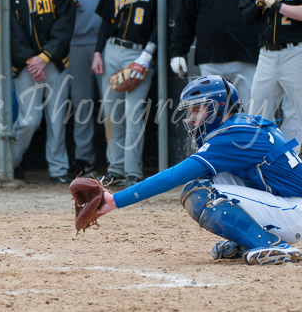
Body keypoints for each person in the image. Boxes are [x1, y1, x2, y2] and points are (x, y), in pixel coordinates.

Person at [92, 75, 302, 265]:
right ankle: (251, 240)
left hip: (295, 212)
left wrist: (116, 200)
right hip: (288, 206)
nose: (191, 118)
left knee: (199, 191)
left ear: (218, 108)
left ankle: (272, 245)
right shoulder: (239, 126)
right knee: (210, 176)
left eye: (197, 109)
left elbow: (173, 177)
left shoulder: (234, 136)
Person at [57, 0, 125, 178]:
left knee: (111, 105)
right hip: (76, 42)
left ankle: (115, 163)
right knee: (82, 105)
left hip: (107, 43)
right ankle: (84, 160)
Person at [91, 0, 157, 186]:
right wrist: (98, 52)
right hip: (112, 50)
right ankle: (115, 169)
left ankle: (132, 172)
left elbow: (159, 22)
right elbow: (107, 22)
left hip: (138, 52)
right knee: (111, 112)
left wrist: (147, 55)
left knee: (134, 113)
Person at [11, 0, 76, 183]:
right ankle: (11, 164)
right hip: (26, 64)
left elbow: (65, 26)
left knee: (57, 118)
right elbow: (11, 31)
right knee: (29, 119)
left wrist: (45, 57)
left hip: (55, 62)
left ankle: (58, 171)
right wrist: (32, 60)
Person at [241, 0, 302, 150]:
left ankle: (295, 166)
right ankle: (259, 164)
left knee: (298, 113)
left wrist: (275, 3)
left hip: (295, 52)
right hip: (266, 55)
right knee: (256, 115)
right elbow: (245, 18)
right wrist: (259, 2)